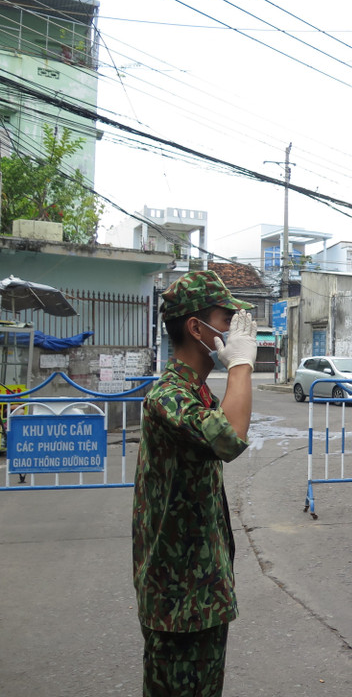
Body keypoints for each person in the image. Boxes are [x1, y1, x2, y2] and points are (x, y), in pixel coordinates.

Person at [132, 270, 258, 697]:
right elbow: (230, 437)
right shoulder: (168, 396)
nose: (232, 330)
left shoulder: (196, 393)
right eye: (225, 320)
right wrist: (240, 363)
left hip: (199, 599)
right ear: (195, 327)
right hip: (180, 604)